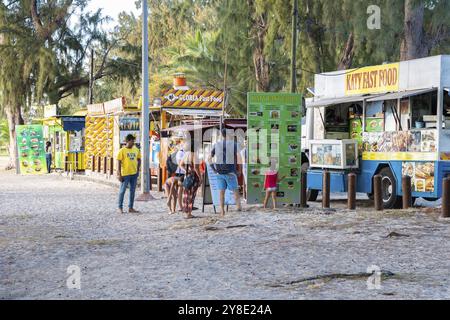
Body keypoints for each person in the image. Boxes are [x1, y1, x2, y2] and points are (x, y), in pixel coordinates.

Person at [209, 128, 242, 216]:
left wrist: (214, 169)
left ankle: (222, 211)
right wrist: (239, 170)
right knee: (235, 190)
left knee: (221, 192)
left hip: (219, 172)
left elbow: (209, 158)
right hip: (230, 171)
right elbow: (239, 157)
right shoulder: (234, 144)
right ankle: (238, 207)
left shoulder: (216, 145)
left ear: (222, 135)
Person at [117, 134, 141, 214]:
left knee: (132, 191)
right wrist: (119, 174)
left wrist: (137, 170)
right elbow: (118, 162)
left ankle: (131, 207)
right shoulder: (122, 150)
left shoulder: (136, 149)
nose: (133, 143)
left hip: (134, 174)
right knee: (122, 191)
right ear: (127, 141)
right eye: (132, 141)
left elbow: (139, 159)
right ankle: (120, 207)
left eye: (134, 141)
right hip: (125, 174)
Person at [179, 143, 201, 219]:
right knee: (192, 195)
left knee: (186, 195)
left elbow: (180, 164)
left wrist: (186, 171)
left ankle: (186, 212)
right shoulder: (194, 155)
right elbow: (196, 168)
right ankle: (189, 213)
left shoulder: (186, 154)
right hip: (194, 177)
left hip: (187, 176)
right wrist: (200, 177)